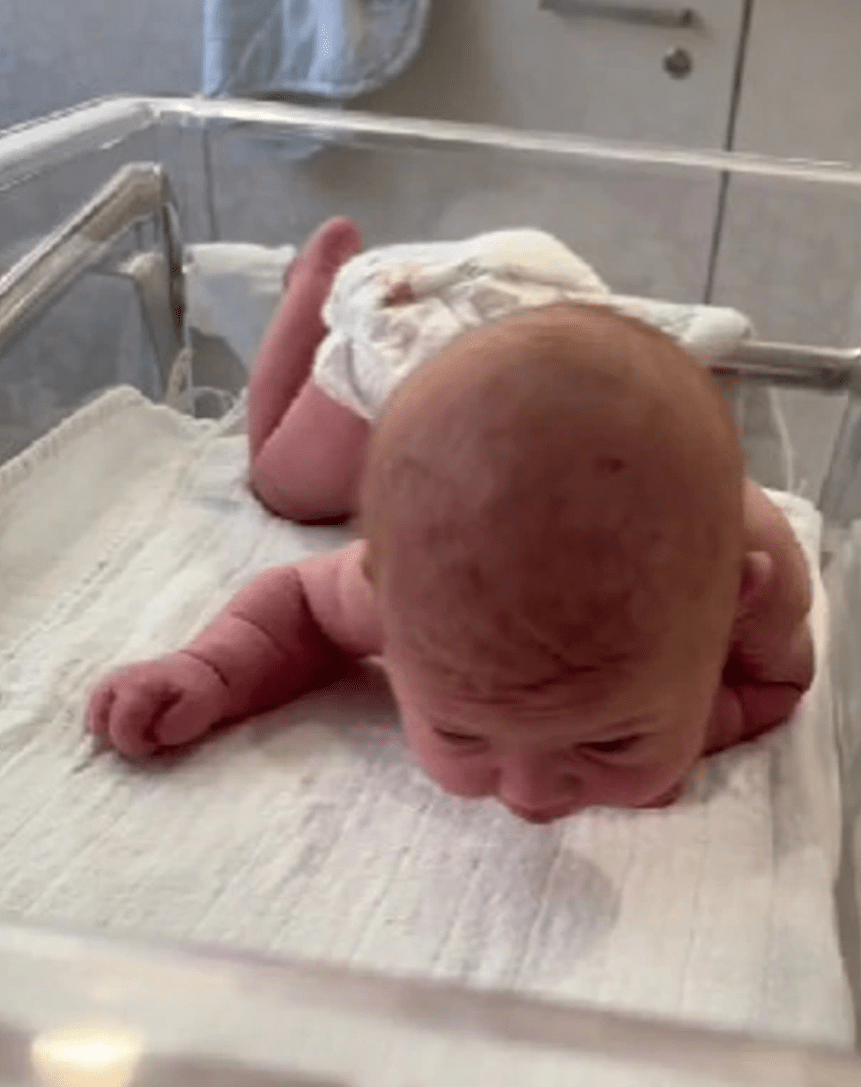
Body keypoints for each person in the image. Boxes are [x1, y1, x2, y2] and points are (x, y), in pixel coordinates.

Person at [87, 219, 814, 823]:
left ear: (732, 601)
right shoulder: (412, 590)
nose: (528, 797)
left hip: (557, 306)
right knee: (285, 486)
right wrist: (212, 669)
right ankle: (308, 295)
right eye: (460, 731)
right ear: (382, 581)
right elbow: (301, 603)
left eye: (611, 742)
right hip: (406, 320)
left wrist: (706, 729)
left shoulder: (759, 588)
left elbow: (781, 687)